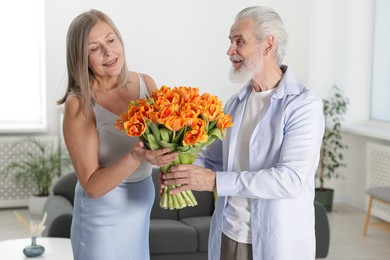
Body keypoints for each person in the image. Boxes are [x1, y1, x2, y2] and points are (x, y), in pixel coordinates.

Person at [162, 6, 325, 260]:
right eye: (230, 42)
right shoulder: (235, 104)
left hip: (276, 241)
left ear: (268, 45)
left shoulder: (304, 105)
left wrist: (215, 181)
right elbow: (211, 158)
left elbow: (290, 179)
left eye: (239, 42)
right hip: (229, 234)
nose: (230, 51)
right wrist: (177, 167)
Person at [57, 9, 178, 260]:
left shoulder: (146, 83)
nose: (108, 52)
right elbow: (92, 186)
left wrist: (172, 166)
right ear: (82, 58)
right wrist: (136, 156)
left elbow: (165, 140)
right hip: (101, 220)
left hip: (140, 208)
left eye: (111, 40)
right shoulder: (80, 104)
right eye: (94, 48)